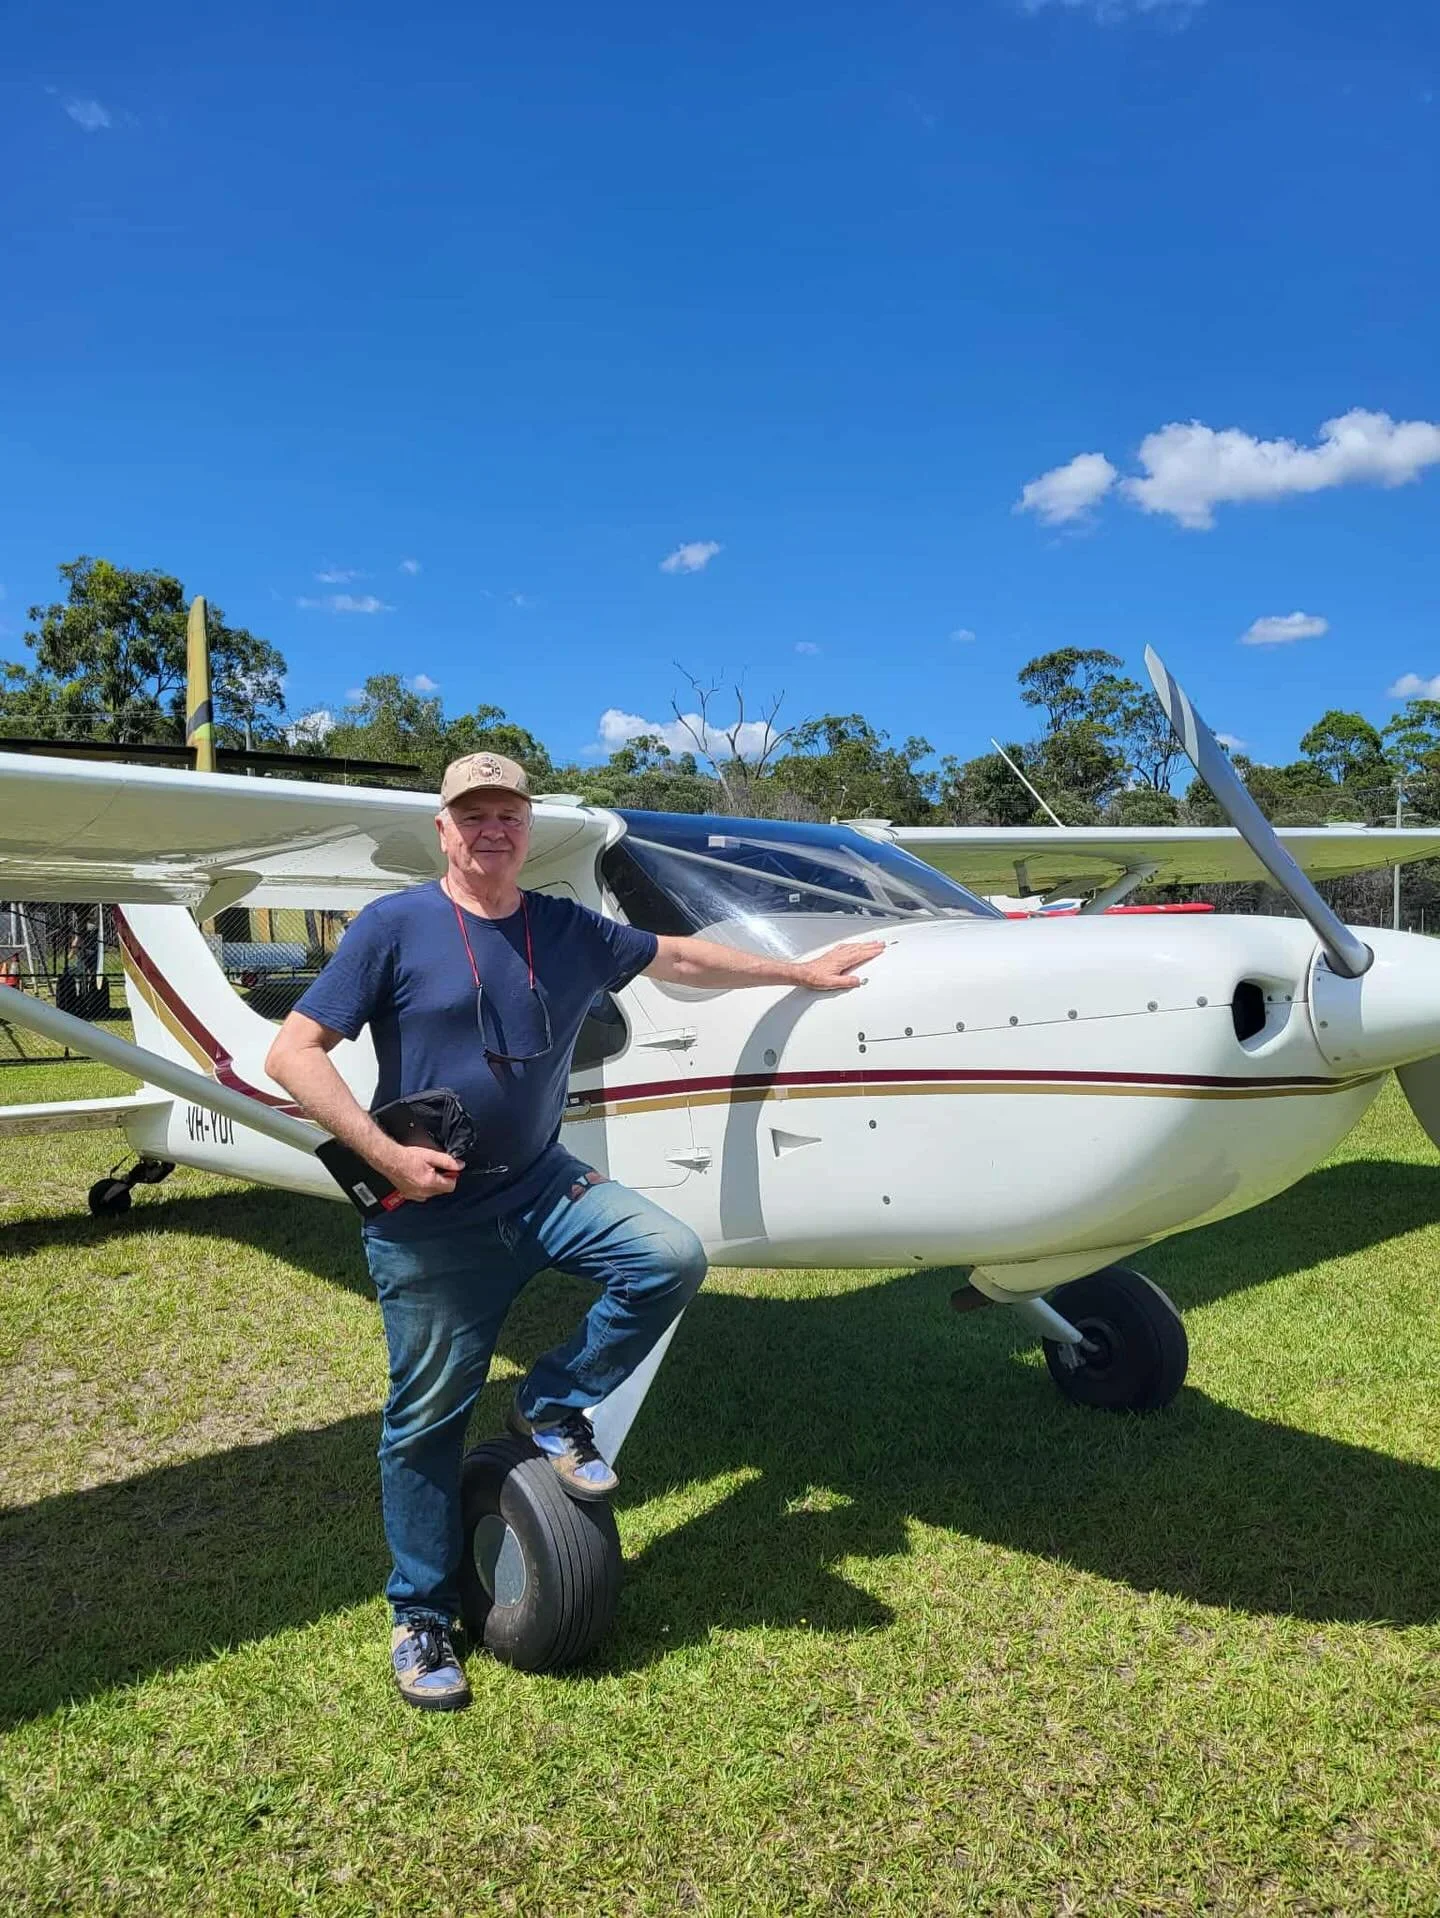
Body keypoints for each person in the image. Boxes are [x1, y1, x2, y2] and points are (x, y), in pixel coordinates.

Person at [265, 751, 884, 1711]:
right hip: (431, 1219)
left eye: (507, 813)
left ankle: (552, 1404)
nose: (491, 830)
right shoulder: (394, 927)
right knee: (424, 1424)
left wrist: (796, 970)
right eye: (472, 815)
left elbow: (677, 956)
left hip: (543, 1183)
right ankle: (421, 1612)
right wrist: (384, 1157)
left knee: (667, 1258)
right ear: (444, 829)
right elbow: (292, 1052)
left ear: (527, 826)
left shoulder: (561, 924)